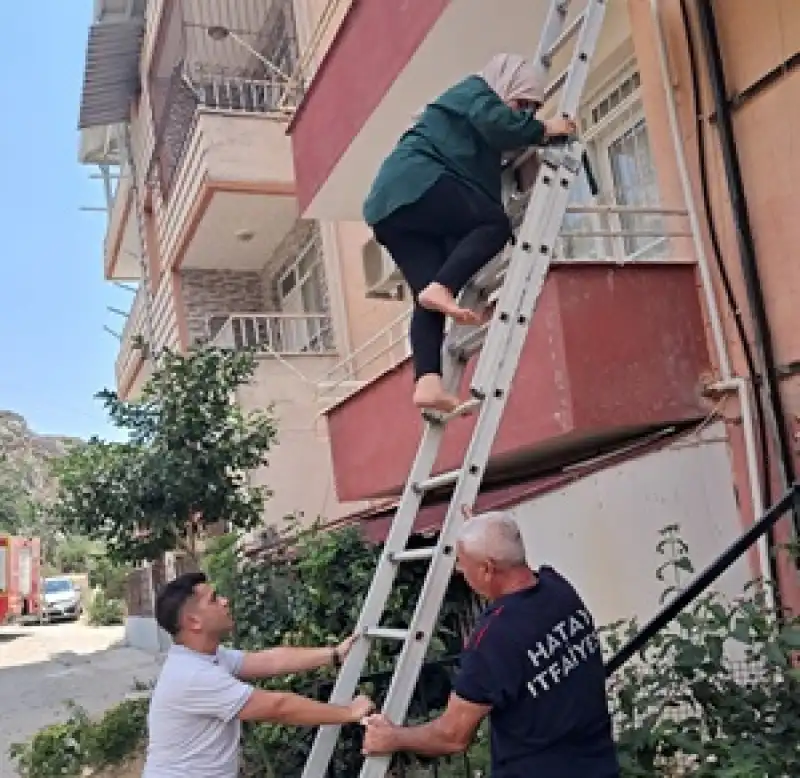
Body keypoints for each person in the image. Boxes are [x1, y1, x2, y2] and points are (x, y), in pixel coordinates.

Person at [363, 54, 578, 414]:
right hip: (417, 183)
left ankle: (427, 382)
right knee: (493, 225)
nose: (522, 113)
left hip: (390, 211)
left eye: (531, 109)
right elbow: (496, 123)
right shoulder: (476, 92)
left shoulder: (472, 127)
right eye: (521, 104)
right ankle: (443, 288)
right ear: (505, 84)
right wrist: (545, 129)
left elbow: (495, 138)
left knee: (427, 297)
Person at [361, 511, 620, 777]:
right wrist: (485, 535)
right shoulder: (557, 589)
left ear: (486, 569)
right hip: (597, 766)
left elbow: (452, 736)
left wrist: (394, 738)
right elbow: (515, 577)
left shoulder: (493, 640)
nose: (460, 573)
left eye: (463, 564)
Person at [142, 571, 374, 777]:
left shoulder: (208, 657)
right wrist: (349, 712)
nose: (225, 601)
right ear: (193, 621)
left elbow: (270, 661)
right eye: (213, 600)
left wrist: (333, 655)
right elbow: (278, 707)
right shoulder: (193, 676)